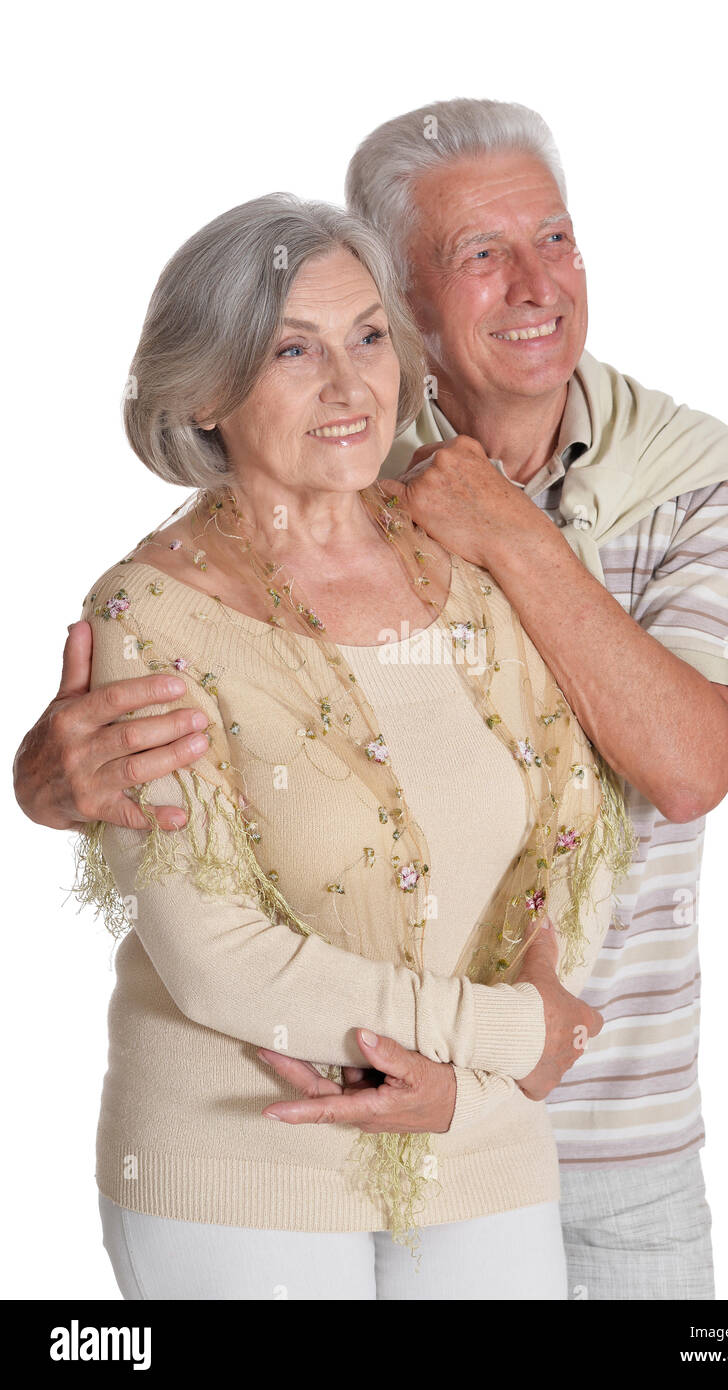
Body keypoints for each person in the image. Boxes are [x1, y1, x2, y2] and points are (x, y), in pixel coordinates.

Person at [14, 99, 728, 1300]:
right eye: (478, 254)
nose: (535, 284)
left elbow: (674, 774)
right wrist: (46, 774)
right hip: (302, 1132)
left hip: (602, 1121)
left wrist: (507, 538)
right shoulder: (323, 480)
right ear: (418, 307)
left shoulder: (687, 486)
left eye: (554, 237)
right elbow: (207, 900)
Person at [47, 192, 635, 1300]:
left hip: (487, 1146)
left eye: (369, 337)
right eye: (293, 350)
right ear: (208, 389)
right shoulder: (150, 614)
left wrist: (466, 1089)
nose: (348, 383)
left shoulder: (468, 560)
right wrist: (511, 1030)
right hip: (242, 1162)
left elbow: (571, 831)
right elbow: (211, 950)